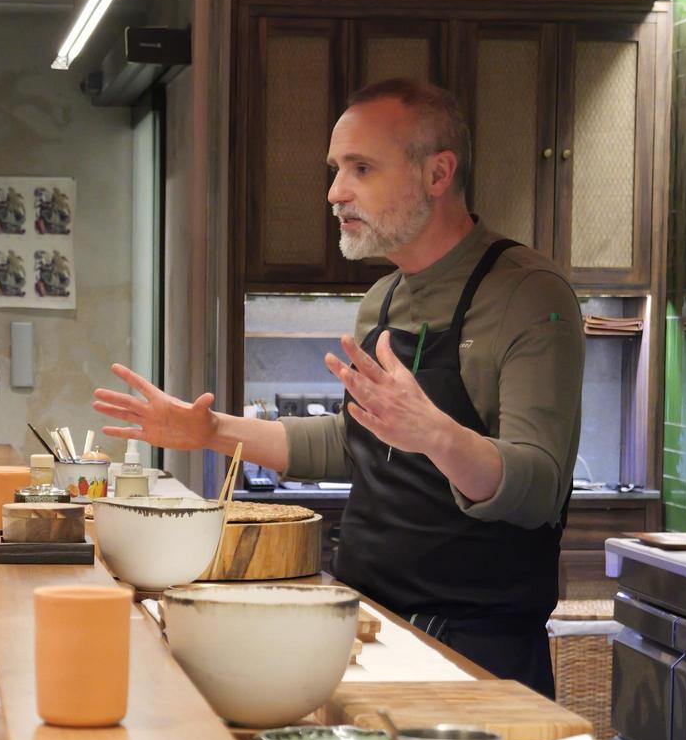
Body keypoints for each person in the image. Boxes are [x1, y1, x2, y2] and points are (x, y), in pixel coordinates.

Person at [94, 78, 583, 698]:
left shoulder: (528, 294)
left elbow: (539, 490)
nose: (335, 192)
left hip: (474, 651)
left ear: (438, 173)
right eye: (336, 170)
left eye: (361, 168)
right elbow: (355, 442)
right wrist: (210, 430)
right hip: (368, 621)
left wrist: (437, 435)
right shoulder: (383, 298)